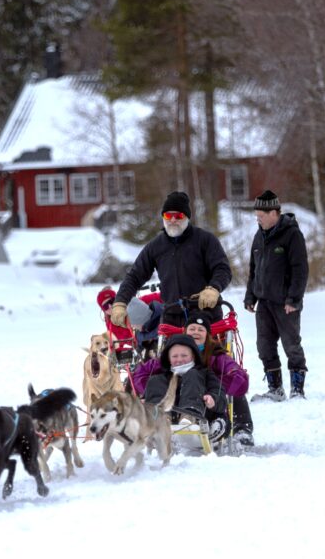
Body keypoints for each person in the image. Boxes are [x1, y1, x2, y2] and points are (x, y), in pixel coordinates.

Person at [108, 191, 232, 331]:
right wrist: (120, 302)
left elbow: (222, 269)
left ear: (187, 217)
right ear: (163, 217)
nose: (172, 220)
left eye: (178, 216)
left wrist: (214, 288)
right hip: (171, 316)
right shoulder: (156, 246)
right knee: (169, 353)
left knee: (208, 353)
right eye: (168, 215)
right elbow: (135, 276)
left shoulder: (205, 240)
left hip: (205, 313)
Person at [131, 311, 255, 446]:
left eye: (201, 329)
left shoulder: (217, 356)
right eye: (192, 328)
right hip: (173, 399)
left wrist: (208, 381)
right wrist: (150, 392)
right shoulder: (173, 353)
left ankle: (241, 428)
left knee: (220, 388)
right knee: (157, 381)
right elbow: (140, 374)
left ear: (207, 335)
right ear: (185, 332)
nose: (196, 332)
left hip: (205, 399)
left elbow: (240, 379)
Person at [243, 190, 309, 400]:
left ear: (273, 213)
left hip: (286, 303)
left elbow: (300, 270)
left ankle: (297, 390)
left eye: (260, 216)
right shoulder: (259, 236)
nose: (258, 219)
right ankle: (275, 389)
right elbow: (254, 270)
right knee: (264, 346)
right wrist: (250, 296)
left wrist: (294, 300)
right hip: (264, 302)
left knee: (292, 345)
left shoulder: (292, 235)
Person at [143, 334, 227, 443]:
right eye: (175, 356)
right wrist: (144, 400)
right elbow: (152, 395)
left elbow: (219, 394)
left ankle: (189, 418)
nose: (179, 359)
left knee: (193, 374)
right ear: (168, 359)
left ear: (193, 356)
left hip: (202, 417)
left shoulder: (204, 373)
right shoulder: (163, 378)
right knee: (155, 380)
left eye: (184, 355)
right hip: (170, 417)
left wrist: (213, 400)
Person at [97, 286, 162, 357]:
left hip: (156, 331)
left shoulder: (132, 306)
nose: (110, 306)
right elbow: (117, 348)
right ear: (104, 311)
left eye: (111, 301)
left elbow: (158, 297)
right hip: (142, 348)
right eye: (105, 306)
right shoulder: (112, 328)